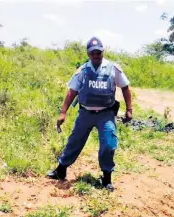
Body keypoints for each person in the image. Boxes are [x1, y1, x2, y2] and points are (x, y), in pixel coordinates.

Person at [47, 36, 133, 192]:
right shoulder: (83, 70)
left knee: (108, 144)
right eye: (93, 53)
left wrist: (129, 109)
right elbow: (72, 91)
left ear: (103, 52)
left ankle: (106, 178)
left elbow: (125, 87)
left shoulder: (113, 69)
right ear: (88, 54)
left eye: (98, 52)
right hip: (85, 113)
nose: (96, 55)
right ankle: (61, 169)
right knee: (74, 141)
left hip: (105, 114)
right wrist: (63, 112)